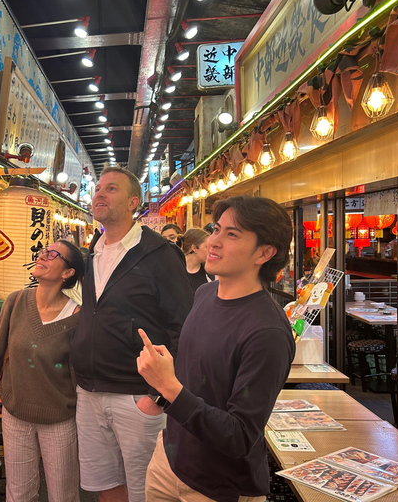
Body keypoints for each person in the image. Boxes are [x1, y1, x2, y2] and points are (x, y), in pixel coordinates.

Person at [136, 195, 295, 502]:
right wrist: (161, 389)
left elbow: (240, 436)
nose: (214, 242)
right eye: (216, 229)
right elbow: (195, 371)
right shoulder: (206, 293)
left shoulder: (268, 331)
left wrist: (169, 387)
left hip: (219, 486)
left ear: (265, 252)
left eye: (231, 234)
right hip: (170, 459)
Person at [70, 166, 193, 502]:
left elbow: (185, 328)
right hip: (90, 391)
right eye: (97, 188)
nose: (99, 194)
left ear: (132, 203)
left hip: (137, 395)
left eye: (110, 189)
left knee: (144, 490)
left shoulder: (159, 253)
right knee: (103, 485)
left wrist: (159, 396)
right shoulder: (93, 251)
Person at [0, 240, 85, 502]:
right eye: (43, 251)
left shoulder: (78, 317)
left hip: (59, 418)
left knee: (63, 495)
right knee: (19, 493)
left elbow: (77, 375)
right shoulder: (16, 300)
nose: (42, 255)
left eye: (52, 254)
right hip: (15, 413)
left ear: (67, 273)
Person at [182, 228, 213, 292]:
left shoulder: (209, 270)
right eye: (206, 247)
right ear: (194, 248)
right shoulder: (175, 270)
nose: (211, 251)